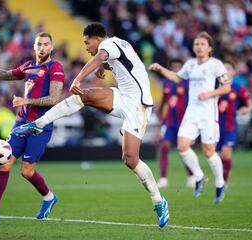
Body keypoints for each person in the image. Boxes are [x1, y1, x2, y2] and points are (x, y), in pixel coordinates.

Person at [13, 23, 169, 228]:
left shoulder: (109, 45)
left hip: (138, 105)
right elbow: (117, 62)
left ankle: (159, 201)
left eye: (87, 42)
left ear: (97, 39)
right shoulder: (117, 44)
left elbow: (99, 57)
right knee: (84, 96)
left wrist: (78, 77)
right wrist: (104, 69)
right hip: (123, 96)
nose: (86, 47)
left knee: (130, 159)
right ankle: (39, 123)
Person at [0, 32, 64, 224]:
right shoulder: (28, 65)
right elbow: (5, 74)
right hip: (20, 123)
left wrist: (27, 100)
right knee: (5, 163)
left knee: (27, 172)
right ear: (34, 47)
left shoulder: (55, 67)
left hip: (39, 125)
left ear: (51, 47)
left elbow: (54, 98)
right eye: (39, 44)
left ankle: (49, 197)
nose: (42, 48)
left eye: (46, 44)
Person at [149, 31, 231, 203]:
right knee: (182, 146)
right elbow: (177, 78)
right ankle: (199, 176)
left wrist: (209, 93)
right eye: (196, 44)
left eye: (202, 44)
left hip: (208, 114)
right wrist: (161, 68)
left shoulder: (216, 65)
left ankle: (220, 183)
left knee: (209, 152)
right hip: (191, 112)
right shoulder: (190, 64)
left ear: (209, 48)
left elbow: (226, 88)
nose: (199, 47)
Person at [155, 59, 195, 189]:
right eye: (174, 67)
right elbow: (164, 101)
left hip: (185, 122)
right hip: (170, 122)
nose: (177, 70)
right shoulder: (166, 83)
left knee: (183, 149)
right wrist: (160, 114)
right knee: (164, 147)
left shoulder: (187, 83)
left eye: (179, 67)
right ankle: (163, 179)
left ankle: (191, 176)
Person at [217, 60, 252, 182]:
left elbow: (250, 103)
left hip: (230, 126)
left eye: (228, 68)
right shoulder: (215, 87)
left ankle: (224, 181)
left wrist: (247, 109)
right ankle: (222, 176)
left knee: (226, 153)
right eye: (223, 68)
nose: (225, 71)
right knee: (217, 156)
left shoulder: (238, 88)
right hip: (215, 127)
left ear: (233, 71)